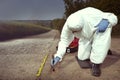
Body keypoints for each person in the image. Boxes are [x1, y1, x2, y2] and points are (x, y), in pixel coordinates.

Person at [50, 7, 118, 77]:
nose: (74, 33)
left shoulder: (92, 14)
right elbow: (64, 41)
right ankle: (97, 50)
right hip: (85, 35)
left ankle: (96, 64)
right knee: (82, 57)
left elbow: (113, 17)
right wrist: (58, 56)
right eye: (73, 31)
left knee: (100, 44)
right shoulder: (68, 25)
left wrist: (107, 21)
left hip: (99, 30)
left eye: (76, 31)